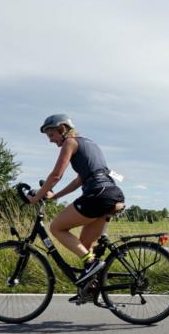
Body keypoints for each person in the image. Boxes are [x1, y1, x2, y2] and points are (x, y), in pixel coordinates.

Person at [30, 114, 125, 287]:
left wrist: (36, 197)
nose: (50, 141)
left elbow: (56, 175)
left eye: (51, 135)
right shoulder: (89, 143)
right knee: (85, 244)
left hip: (97, 194)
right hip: (112, 193)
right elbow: (78, 181)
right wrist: (55, 196)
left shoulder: (70, 142)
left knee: (57, 227)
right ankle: (92, 286)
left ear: (62, 129)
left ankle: (91, 263)